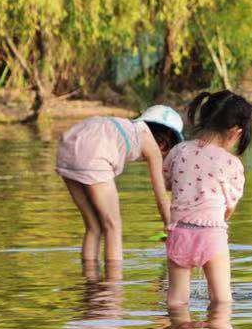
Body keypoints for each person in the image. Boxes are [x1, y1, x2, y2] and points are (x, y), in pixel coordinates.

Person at [55, 105, 183, 266]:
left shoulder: (127, 127)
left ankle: (89, 280)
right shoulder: (151, 144)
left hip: (66, 150)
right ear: (164, 143)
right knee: (113, 226)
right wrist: (170, 227)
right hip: (95, 155)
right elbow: (162, 198)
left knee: (94, 227)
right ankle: (113, 285)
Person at [164, 90, 252, 309]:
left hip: (180, 232)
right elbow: (228, 209)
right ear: (235, 132)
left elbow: (167, 182)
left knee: (176, 301)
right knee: (222, 300)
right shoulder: (231, 163)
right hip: (212, 235)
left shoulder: (178, 151)